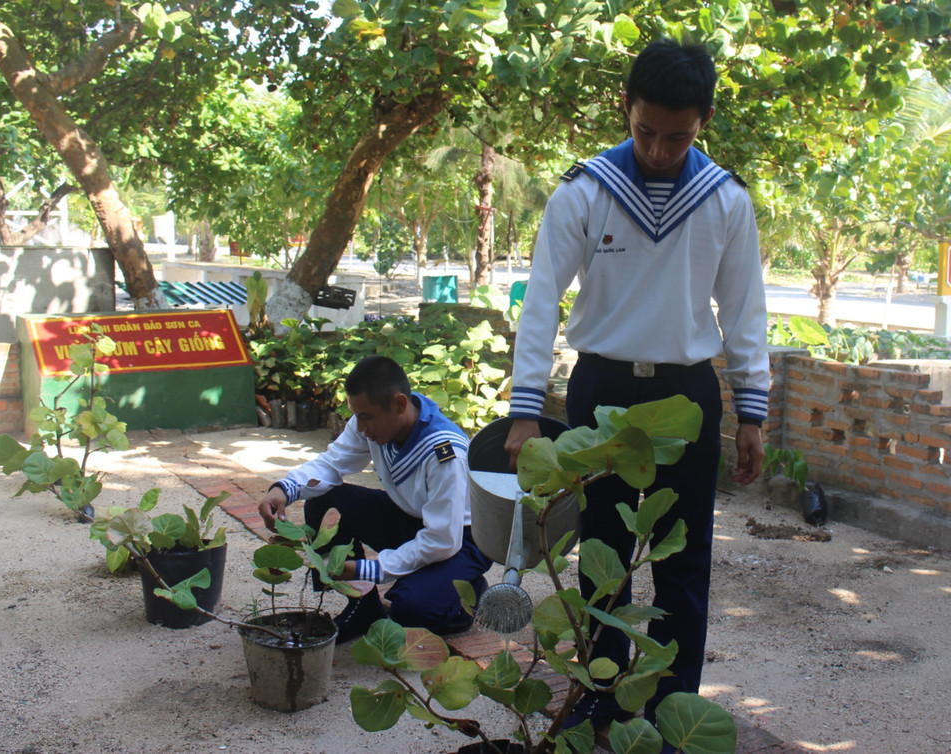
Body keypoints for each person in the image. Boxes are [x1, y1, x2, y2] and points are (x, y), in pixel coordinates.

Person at [504, 39, 770, 735]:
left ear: (703, 120)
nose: (657, 149)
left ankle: (673, 707)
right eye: (645, 130)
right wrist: (525, 408)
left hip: (687, 396)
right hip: (602, 392)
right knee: (602, 559)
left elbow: (745, 313)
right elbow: (541, 301)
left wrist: (752, 411)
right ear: (626, 107)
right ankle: (600, 696)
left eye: (676, 136)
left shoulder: (725, 201)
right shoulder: (585, 190)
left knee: (684, 563)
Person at [258, 355, 492, 643]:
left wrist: (366, 569)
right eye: (357, 415)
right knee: (323, 502)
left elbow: (443, 539)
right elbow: (333, 464)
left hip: (460, 540)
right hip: (412, 520)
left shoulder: (445, 452)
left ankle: (466, 593)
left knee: (411, 611)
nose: (360, 426)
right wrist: (284, 488)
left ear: (399, 404)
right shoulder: (371, 423)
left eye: (366, 417)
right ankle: (364, 607)